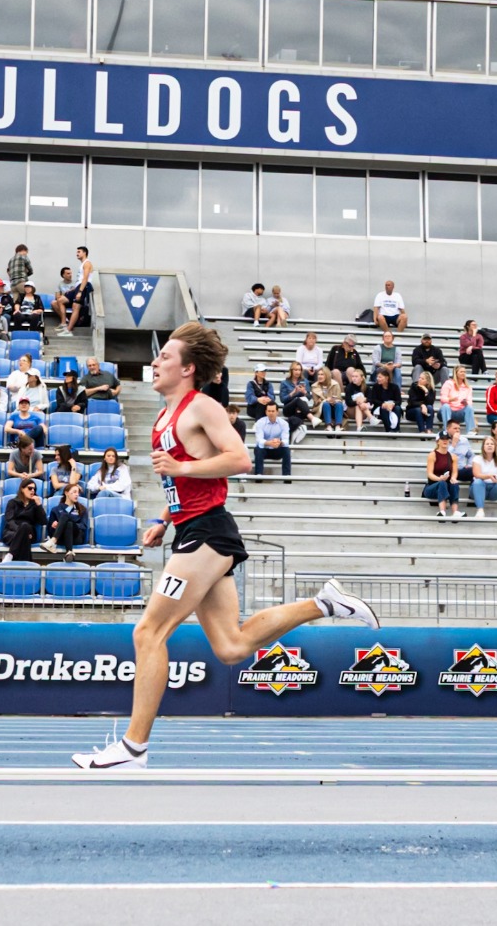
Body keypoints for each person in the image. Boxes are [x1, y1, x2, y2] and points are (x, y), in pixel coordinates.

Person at [70, 321, 377, 770]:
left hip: (207, 534)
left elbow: (240, 458)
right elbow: (185, 481)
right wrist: (163, 519)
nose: (155, 361)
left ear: (188, 369)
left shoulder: (202, 406)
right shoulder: (164, 416)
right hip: (192, 530)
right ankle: (324, 604)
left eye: (165, 356)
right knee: (231, 646)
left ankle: (133, 748)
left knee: (148, 632)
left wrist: (180, 468)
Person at [1, 478, 47, 560]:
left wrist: (39, 505)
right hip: (12, 532)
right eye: (30, 488)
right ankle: (28, 563)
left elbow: (43, 521)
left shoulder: (34, 505)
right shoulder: (12, 502)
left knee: (25, 525)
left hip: (30, 532)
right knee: (24, 537)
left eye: (34, 489)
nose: (32, 491)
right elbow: (9, 520)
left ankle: (10, 554)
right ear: (22, 489)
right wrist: (20, 531)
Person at [470, 438, 497, 517]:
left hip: (493, 489)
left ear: (495, 447)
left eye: (492, 444)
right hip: (479, 488)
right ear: (483, 446)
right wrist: (489, 476)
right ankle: (480, 510)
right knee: (478, 482)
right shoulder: (477, 459)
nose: (489, 446)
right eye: (487, 444)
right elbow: (476, 474)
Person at [47, 480, 90, 554]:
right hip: (61, 538)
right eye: (74, 492)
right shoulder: (55, 509)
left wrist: (71, 524)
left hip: (76, 538)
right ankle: (69, 552)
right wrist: (53, 526)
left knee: (68, 521)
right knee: (67, 521)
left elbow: (83, 526)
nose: (77, 494)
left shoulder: (82, 509)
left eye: (78, 492)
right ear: (66, 493)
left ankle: (53, 541)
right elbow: (49, 529)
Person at [252, 402, 291, 479]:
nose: (271, 413)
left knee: (286, 450)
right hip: (264, 449)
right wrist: (269, 443)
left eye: (273, 411)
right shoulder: (260, 422)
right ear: (266, 412)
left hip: (277, 449)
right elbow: (259, 439)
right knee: (258, 449)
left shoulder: (284, 423)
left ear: (277, 412)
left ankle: (287, 477)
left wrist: (279, 443)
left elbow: (286, 440)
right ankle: (258, 475)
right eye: (269, 411)